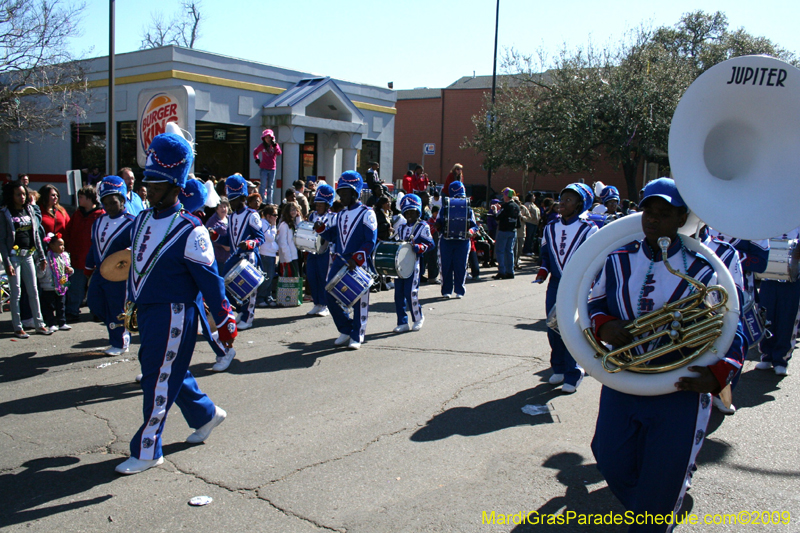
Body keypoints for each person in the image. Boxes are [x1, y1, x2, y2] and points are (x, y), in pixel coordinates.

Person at [587, 178, 745, 530]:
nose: (653, 219)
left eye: (664, 213)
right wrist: (604, 325)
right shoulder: (617, 259)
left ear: (681, 218)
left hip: (679, 386)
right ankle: (652, 508)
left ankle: (654, 516)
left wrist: (718, 374)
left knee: (663, 473)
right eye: (648, 211)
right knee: (609, 456)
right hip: (625, 376)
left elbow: (736, 325)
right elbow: (594, 302)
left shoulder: (707, 268)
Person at [115, 131, 237, 475]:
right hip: (150, 313)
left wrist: (225, 321)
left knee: (156, 379)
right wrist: (130, 303)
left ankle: (148, 449)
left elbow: (211, 282)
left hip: (176, 315)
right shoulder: (140, 219)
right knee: (167, 374)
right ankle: (206, 413)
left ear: (174, 186)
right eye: (147, 183)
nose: (147, 189)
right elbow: (136, 265)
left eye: (155, 185)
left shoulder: (192, 229)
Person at [535, 183, 598, 394]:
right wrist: (543, 270)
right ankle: (559, 368)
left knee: (572, 330)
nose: (562, 203)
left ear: (580, 204)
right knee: (553, 325)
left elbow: (594, 260)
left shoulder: (589, 229)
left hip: (577, 284)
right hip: (555, 283)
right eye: (562, 198)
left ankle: (574, 372)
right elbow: (545, 255)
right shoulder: (550, 227)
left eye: (569, 200)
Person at [315, 171, 378, 350]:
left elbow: (370, 241)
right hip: (340, 260)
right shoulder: (340, 214)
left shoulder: (367, 213)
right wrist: (321, 230)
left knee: (359, 300)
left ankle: (357, 335)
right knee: (329, 294)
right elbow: (334, 236)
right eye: (340, 192)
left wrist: (358, 259)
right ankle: (345, 328)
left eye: (344, 193)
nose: (341, 196)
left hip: (357, 262)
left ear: (355, 193)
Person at [86, 175, 136, 356]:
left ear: (122, 200)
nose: (108, 207)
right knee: (95, 303)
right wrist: (88, 265)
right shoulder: (99, 220)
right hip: (100, 272)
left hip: (120, 275)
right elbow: (94, 245)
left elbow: (137, 249)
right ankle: (119, 330)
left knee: (117, 307)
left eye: (113, 202)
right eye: (105, 203)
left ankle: (120, 341)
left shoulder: (132, 222)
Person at [213, 174, 265, 331]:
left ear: (243, 198)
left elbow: (260, 238)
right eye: (231, 199)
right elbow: (229, 240)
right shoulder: (232, 216)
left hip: (248, 257)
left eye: (235, 199)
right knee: (225, 285)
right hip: (234, 257)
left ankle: (248, 317)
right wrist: (215, 236)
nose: (232, 203)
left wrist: (249, 244)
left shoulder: (252, 215)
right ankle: (242, 312)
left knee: (249, 290)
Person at [0, 180, 51, 338]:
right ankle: (18, 326)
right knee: (16, 293)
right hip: (14, 257)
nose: (22, 197)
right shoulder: (5, 213)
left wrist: (41, 257)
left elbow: (35, 235)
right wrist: (7, 262)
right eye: (18, 194)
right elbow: (2, 240)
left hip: (29, 254)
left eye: (24, 194)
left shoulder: (29, 211)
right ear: (11, 196)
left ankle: (39, 324)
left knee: (34, 291)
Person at [756, 225, 800, 376]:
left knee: (787, 318)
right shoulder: (771, 221)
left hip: (792, 280)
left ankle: (781, 359)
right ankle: (766, 355)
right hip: (769, 278)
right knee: (765, 315)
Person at [392, 194, 433, 333]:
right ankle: (402, 322)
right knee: (398, 294)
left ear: (418, 212)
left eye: (412, 212)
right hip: (400, 265)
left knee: (411, 292)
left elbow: (430, 243)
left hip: (414, 264)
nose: (409, 215)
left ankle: (418, 317)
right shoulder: (401, 228)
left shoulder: (423, 226)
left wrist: (420, 247)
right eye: (407, 212)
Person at [63, 185, 104, 322]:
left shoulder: (101, 215)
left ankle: (97, 311)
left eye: (81, 197)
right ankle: (72, 311)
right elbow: (68, 233)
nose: (79, 199)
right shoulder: (77, 215)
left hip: (94, 259)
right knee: (76, 287)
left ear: (90, 198)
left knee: (95, 288)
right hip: (78, 257)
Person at [437, 181, 477, 298]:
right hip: (446, 240)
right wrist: (437, 225)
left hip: (463, 241)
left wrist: (471, 231)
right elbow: (438, 222)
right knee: (446, 266)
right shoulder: (444, 208)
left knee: (460, 266)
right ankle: (446, 290)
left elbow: (474, 226)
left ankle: (459, 290)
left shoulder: (468, 209)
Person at [306, 185, 336, 316]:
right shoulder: (312, 215)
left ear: (327, 205)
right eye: (316, 204)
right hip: (312, 251)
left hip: (326, 252)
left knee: (324, 278)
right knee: (312, 277)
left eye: (320, 205)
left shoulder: (333, 217)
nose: (317, 207)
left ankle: (325, 305)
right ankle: (317, 303)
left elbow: (333, 235)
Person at [37, 232, 73, 332]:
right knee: (49, 306)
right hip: (48, 286)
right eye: (60, 245)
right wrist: (42, 268)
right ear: (51, 245)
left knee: (61, 305)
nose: (62, 247)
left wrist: (70, 270)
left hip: (61, 286)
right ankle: (51, 323)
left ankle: (62, 322)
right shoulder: (45, 258)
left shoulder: (64, 256)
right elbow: (40, 275)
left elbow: (68, 269)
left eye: (63, 245)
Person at [493, 188, 521, 279]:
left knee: (500, 251)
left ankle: (502, 271)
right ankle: (510, 271)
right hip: (513, 230)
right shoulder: (517, 206)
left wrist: (495, 210)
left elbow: (497, 216)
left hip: (504, 230)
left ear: (506, 195)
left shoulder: (506, 206)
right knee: (509, 251)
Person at [256, 204, 279, 308]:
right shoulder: (264, 224)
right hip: (265, 254)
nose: (276, 217)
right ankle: (260, 298)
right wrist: (274, 226)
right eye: (275, 215)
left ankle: (267, 296)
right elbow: (270, 238)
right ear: (269, 216)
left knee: (270, 277)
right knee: (266, 278)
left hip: (271, 254)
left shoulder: (267, 224)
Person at [253, 129, 282, 204]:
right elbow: (255, 152)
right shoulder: (262, 146)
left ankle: (269, 201)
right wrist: (257, 160)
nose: (268, 139)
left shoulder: (274, 145)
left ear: (272, 138)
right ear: (264, 139)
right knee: (263, 185)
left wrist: (275, 146)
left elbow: (279, 153)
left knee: (270, 186)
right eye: (266, 138)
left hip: (272, 168)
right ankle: (262, 201)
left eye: (269, 137)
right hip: (263, 168)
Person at [205, 197, 231, 275]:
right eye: (221, 206)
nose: (223, 209)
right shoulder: (212, 222)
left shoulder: (230, 218)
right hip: (219, 259)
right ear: (216, 209)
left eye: (225, 206)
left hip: (230, 258)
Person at [276, 201, 302, 279]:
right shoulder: (284, 225)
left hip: (295, 256)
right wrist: (288, 259)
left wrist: (298, 218)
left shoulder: (294, 223)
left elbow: (300, 229)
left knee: (296, 280)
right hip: (289, 258)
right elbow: (282, 242)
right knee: (291, 281)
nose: (293, 211)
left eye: (295, 209)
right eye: (291, 210)